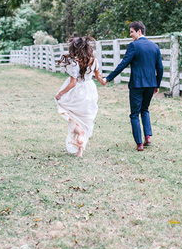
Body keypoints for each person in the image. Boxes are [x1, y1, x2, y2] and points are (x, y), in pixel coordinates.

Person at [101, 21, 163, 152]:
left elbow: (123, 64)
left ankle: (139, 143)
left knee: (134, 114)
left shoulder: (134, 46)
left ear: (139, 31)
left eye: (132, 32)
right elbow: (160, 68)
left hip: (137, 84)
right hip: (151, 84)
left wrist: (108, 78)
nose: (130, 35)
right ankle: (147, 137)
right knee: (145, 109)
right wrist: (157, 84)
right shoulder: (155, 47)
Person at [55, 37, 106, 157]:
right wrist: (103, 81)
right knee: (85, 119)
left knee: (71, 116)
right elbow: (98, 76)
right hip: (90, 91)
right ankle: (80, 150)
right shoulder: (93, 61)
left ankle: (79, 132)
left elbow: (73, 83)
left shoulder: (74, 62)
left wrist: (60, 93)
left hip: (77, 92)